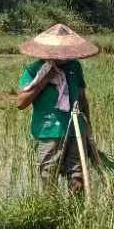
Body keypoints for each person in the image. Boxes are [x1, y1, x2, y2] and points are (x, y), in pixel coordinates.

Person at [17, 24, 98, 193]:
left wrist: (88, 130)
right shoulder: (34, 70)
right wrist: (45, 80)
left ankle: (76, 216)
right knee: (49, 182)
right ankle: (53, 217)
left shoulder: (74, 67)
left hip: (76, 132)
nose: (63, 56)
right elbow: (21, 102)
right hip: (48, 133)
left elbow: (82, 98)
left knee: (78, 181)